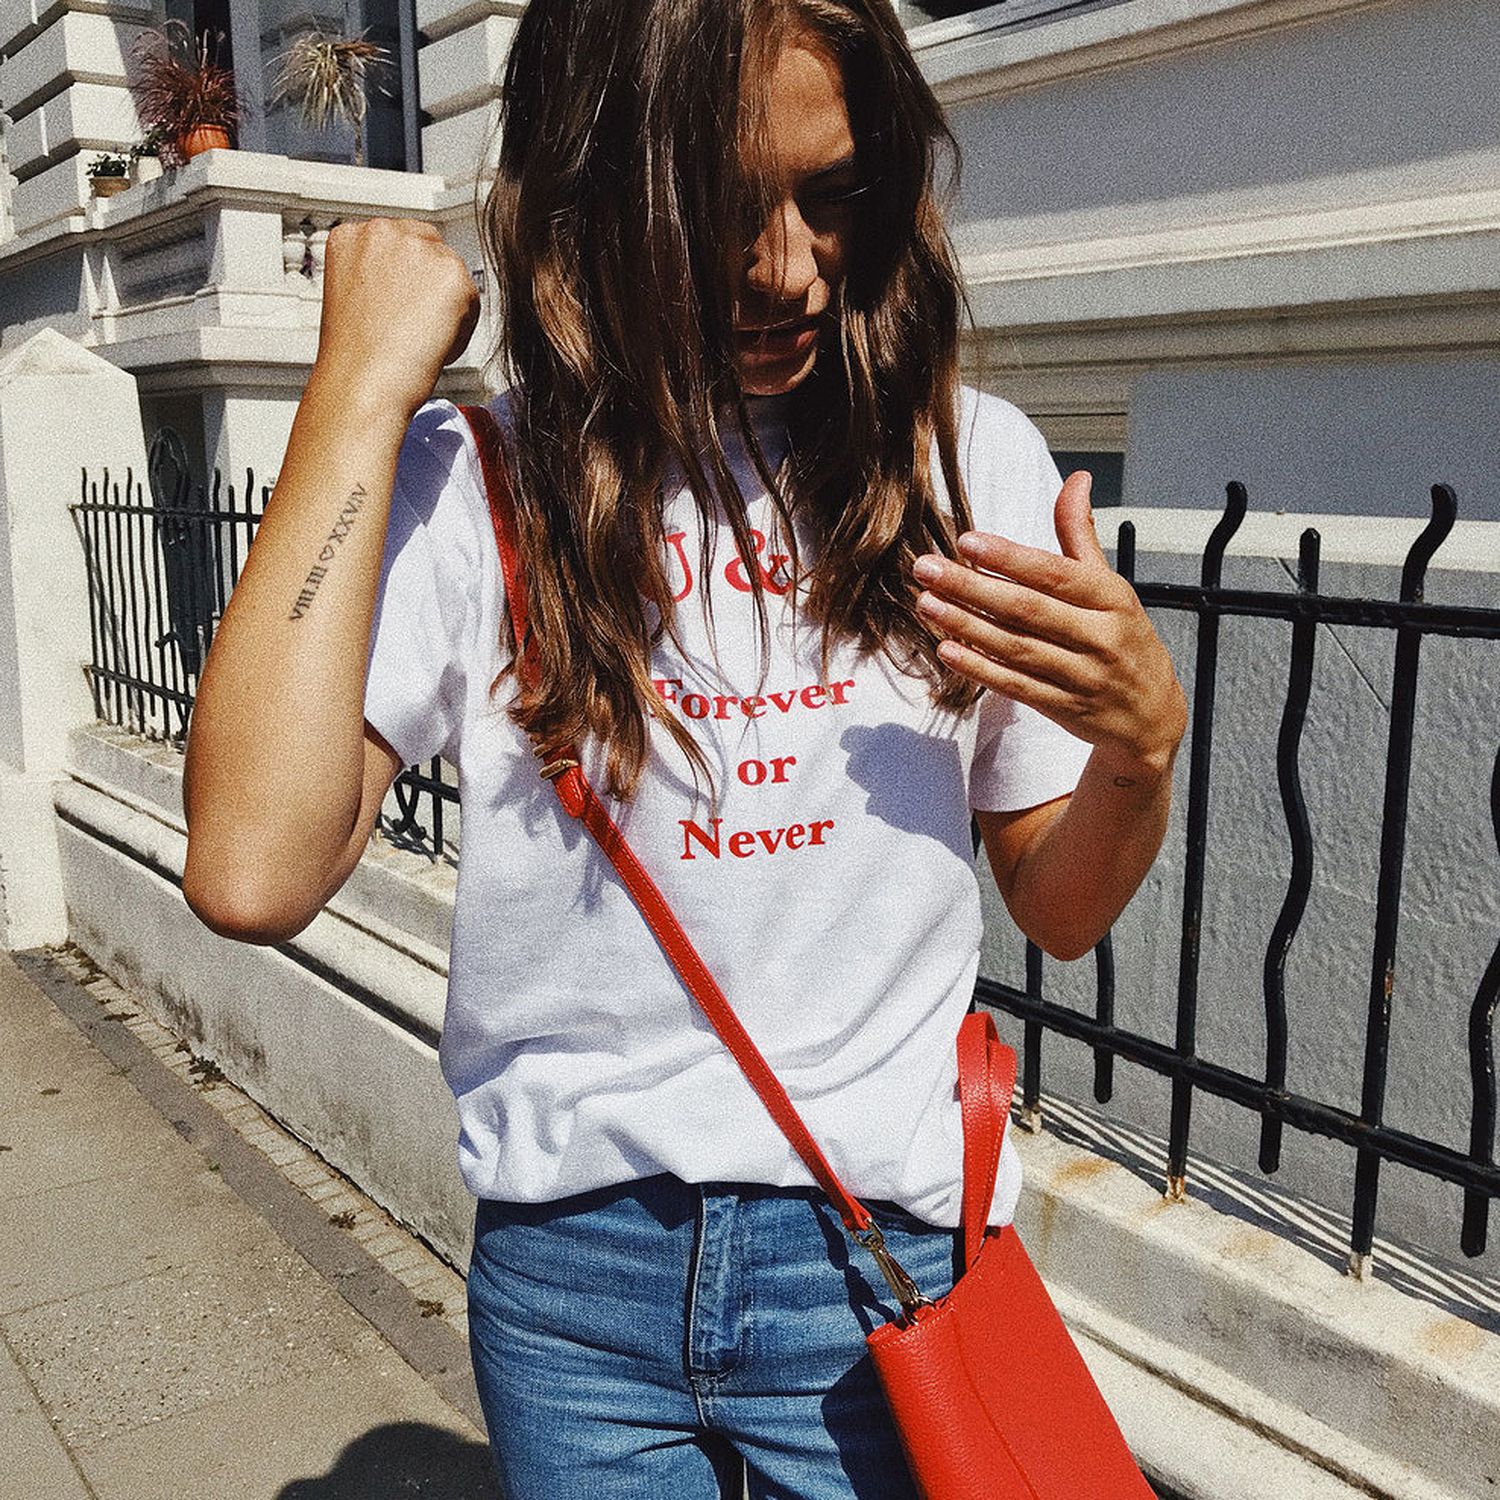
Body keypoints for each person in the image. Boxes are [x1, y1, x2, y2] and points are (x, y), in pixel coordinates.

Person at [181, 0, 1186, 1494]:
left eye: (833, 195)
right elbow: (250, 870)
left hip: (869, 1276)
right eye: (715, 209)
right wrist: (357, 390)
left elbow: (1062, 903)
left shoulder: (969, 464)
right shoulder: (484, 483)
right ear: (594, 190)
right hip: (574, 1289)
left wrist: (1140, 748)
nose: (788, 266)